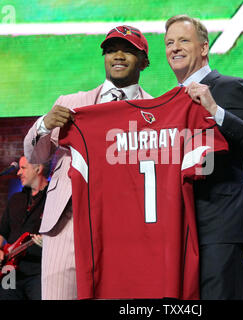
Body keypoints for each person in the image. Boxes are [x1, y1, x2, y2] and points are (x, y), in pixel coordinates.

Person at [24, 25, 152, 300]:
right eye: (111, 50)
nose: (118, 55)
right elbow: (36, 157)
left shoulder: (155, 111)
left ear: (144, 61)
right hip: (67, 224)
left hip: (125, 227)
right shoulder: (71, 103)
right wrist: (44, 125)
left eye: (128, 50)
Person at [164, 15, 243, 299]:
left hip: (220, 227)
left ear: (204, 48)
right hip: (178, 226)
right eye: (169, 42)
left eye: (183, 40)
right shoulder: (168, 101)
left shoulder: (230, 87)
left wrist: (215, 109)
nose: (174, 48)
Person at [0, 156, 49, 300]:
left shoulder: (52, 198)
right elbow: (1, 232)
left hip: (37, 270)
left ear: (38, 168)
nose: (18, 173)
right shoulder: (16, 199)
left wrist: (48, 243)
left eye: (23, 168)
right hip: (8, 270)